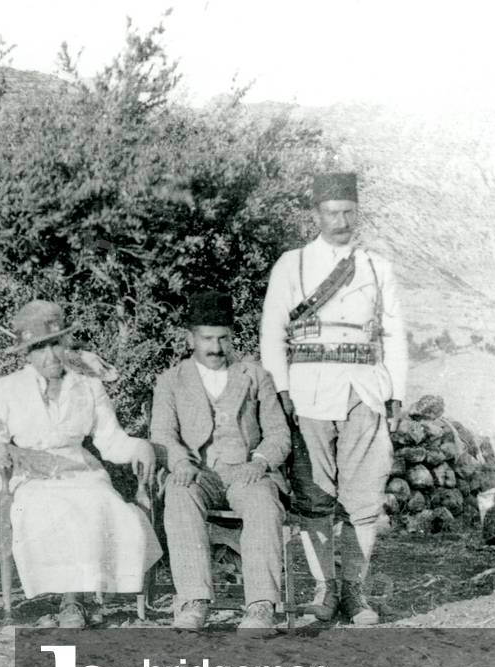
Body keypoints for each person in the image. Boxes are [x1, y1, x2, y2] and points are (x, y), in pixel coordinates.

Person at [260, 172, 407, 625]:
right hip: (308, 394)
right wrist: (281, 389)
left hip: (364, 390)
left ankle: (354, 593)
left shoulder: (377, 267)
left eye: (348, 212)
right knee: (314, 497)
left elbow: (394, 333)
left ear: (356, 213)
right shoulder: (294, 264)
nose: (340, 220)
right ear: (316, 214)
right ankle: (324, 591)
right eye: (331, 212)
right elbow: (272, 331)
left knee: (363, 498)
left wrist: (396, 393)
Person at [0, 300, 161, 628]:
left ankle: (78, 599)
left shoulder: (88, 385)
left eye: (55, 345)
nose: (50, 357)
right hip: (29, 475)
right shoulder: (6, 389)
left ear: (66, 344)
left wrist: (139, 447)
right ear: (26, 354)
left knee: (99, 501)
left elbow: (110, 440)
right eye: (39, 349)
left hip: (81, 470)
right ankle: (72, 602)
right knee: (54, 507)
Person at [151, 291, 291, 632]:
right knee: (180, 493)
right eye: (207, 339)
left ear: (232, 336)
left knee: (263, 501)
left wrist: (259, 462)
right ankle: (194, 600)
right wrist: (180, 463)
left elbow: (278, 435)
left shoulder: (255, 376)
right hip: (199, 473)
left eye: (224, 338)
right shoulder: (172, 381)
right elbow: (163, 435)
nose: (216, 347)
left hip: (246, 473)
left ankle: (260, 606)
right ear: (191, 338)